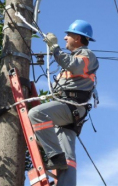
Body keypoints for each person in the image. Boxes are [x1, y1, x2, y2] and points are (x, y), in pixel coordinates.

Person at [28, 20, 99, 186]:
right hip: (69, 110)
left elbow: (72, 65)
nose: (65, 37)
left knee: (36, 114)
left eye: (69, 35)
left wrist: (54, 47)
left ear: (78, 38)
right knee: (68, 159)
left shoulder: (87, 55)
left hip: (72, 106)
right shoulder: (75, 57)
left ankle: (54, 155)